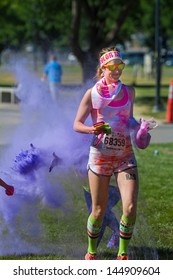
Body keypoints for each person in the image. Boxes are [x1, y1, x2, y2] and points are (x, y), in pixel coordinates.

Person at [73, 46, 155, 260]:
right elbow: (77, 124)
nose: (118, 70)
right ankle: (91, 252)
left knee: (129, 207)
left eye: (121, 66)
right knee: (98, 211)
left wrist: (141, 128)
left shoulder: (129, 91)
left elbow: (129, 120)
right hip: (100, 156)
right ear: (103, 68)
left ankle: (122, 254)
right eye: (113, 67)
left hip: (125, 157)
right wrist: (93, 129)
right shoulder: (92, 94)